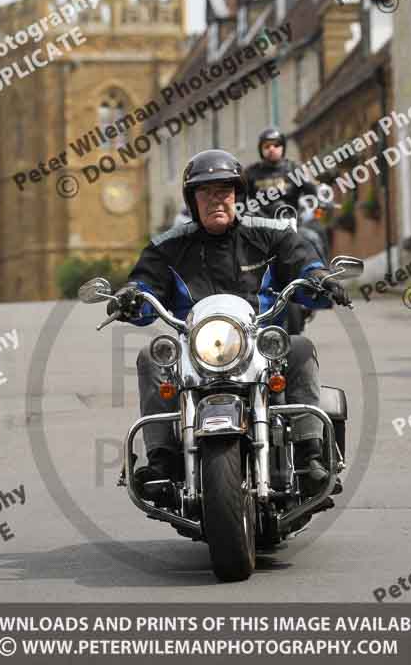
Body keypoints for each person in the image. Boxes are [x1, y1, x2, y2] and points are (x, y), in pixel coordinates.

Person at [106, 150, 350, 494]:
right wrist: (132, 296)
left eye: (224, 190)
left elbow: (302, 261)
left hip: (260, 344)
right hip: (197, 349)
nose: (215, 199)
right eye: (205, 192)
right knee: (153, 357)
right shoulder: (168, 247)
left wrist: (319, 277)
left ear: (238, 195)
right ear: (192, 200)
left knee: (300, 347)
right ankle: (161, 461)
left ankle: (311, 455)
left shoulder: (269, 234)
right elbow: (147, 282)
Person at [245, 128, 322, 334]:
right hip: (259, 229)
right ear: (261, 149)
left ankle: (317, 283)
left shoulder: (293, 170)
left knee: (313, 237)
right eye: (267, 146)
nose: (272, 149)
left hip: (290, 225)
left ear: (283, 147)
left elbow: (312, 190)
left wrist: (320, 199)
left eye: (276, 145)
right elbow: (239, 198)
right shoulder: (251, 173)